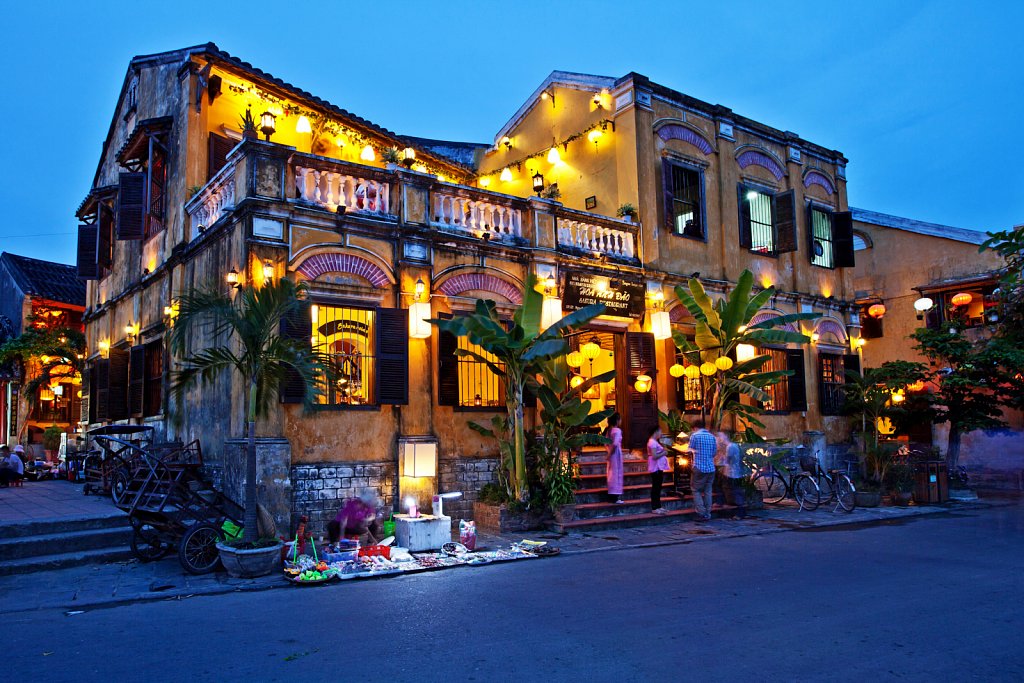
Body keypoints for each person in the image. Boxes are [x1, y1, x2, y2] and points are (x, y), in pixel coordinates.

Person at [688, 419, 717, 521]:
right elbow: (714, 453)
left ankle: (701, 512)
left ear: (695, 427)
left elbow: (689, 450)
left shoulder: (695, 436)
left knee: (696, 490)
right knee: (708, 490)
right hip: (711, 467)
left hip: (699, 467)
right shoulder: (712, 437)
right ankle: (708, 513)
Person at [717, 431, 747, 519]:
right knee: (727, 489)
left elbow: (728, 461)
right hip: (732, 472)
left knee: (734, 492)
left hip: (732, 472)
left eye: (720, 437)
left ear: (725, 437)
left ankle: (740, 512)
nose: (719, 439)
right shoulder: (734, 446)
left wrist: (722, 458)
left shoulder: (730, 447)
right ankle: (726, 507)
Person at [647, 425, 670, 514]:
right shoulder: (652, 442)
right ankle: (654, 507)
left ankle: (658, 506)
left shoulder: (655, 442)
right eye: (660, 432)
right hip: (655, 467)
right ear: (656, 431)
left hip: (658, 467)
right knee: (656, 487)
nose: (661, 434)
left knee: (658, 486)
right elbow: (654, 456)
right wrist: (664, 453)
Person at [604, 412, 624, 504]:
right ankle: (615, 496)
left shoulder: (609, 430)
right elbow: (615, 443)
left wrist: (609, 452)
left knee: (611, 474)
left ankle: (611, 495)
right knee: (616, 474)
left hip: (611, 453)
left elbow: (606, 443)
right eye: (620, 419)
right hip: (616, 453)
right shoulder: (617, 430)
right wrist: (611, 452)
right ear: (617, 420)